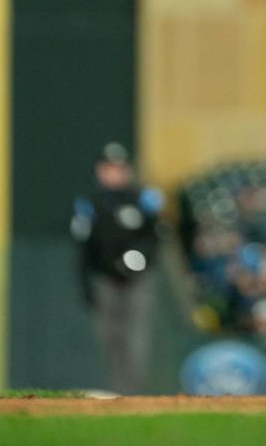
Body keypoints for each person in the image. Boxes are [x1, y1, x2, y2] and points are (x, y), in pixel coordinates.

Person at [71, 142, 163, 394]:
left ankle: (134, 392)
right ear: (100, 171)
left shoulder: (142, 199)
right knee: (111, 338)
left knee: (136, 338)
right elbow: (84, 248)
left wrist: (132, 263)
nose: (114, 173)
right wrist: (85, 283)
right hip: (104, 278)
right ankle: (118, 391)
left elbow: (154, 239)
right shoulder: (90, 204)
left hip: (138, 279)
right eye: (109, 168)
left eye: (119, 168)